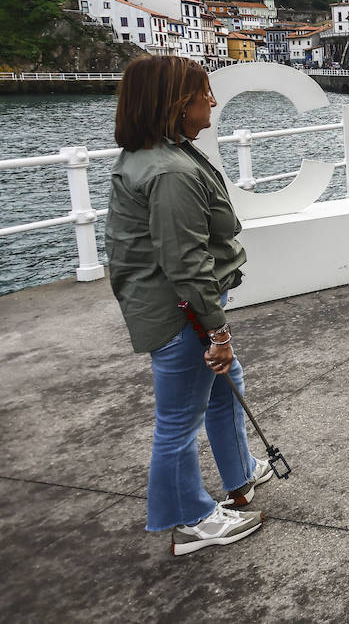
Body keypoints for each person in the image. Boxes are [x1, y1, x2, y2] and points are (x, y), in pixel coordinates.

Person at [105, 55, 268, 556]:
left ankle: (239, 474)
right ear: (177, 103)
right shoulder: (169, 171)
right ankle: (190, 519)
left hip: (181, 304)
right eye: (204, 93)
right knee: (178, 420)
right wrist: (216, 332)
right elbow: (185, 261)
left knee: (224, 388)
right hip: (180, 311)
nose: (212, 101)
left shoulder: (162, 154)